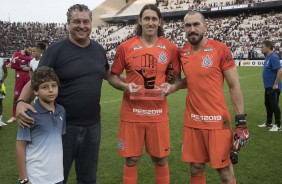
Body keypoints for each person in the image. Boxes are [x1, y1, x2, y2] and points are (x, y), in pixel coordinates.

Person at [16, 4, 110, 184]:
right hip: (62, 126)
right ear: (68, 24)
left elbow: (108, 75)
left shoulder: (99, 49)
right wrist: (21, 101)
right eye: (76, 22)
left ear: (91, 23)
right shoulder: (56, 49)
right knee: (59, 178)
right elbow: (35, 79)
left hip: (93, 125)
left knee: (88, 178)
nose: (81, 25)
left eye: (85, 21)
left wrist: (128, 84)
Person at [166, 11, 250, 184]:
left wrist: (241, 121)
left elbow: (234, 85)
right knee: (196, 168)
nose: (192, 29)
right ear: (184, 29)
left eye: (196, 24)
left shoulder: (220, 49)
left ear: (206, 26)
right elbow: (188, 80)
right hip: (193, 121)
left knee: (225, 172)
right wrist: (172, 86)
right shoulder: (182, 53)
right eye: (188, 26)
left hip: (217, 121)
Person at [108, 4, 180, 184]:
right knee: (131, 160)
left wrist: (170, 88)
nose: (150, 22)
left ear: (160, 22)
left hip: (158, 115)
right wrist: (125, 87)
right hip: (132, 114)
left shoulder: (170, 48)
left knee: (161, 159)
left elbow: (178, 79)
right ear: (140, 20)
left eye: (154, 19)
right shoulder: (125, 47)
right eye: (146, 18)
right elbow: (112, 77)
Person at [16, 66, 65, 184]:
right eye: (45, 87)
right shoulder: (29, 113)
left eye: (54, 85)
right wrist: (24, 179)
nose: (51, 90)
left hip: (58, 177)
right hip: (36, 178)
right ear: (35, 91)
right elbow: (20, 146)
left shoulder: (61, 111)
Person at [258, 40, 282, 131]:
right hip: (268, 87)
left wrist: (275, 84)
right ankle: (268, 123)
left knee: (274, 105)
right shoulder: (267, 57)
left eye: (262, 47)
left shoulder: (273, 57)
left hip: (273, 87)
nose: (261, 49)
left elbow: (280, 70)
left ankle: (278, 125)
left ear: (268, 47)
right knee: (268, 104)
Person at [8, 47, 32, 123]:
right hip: (20, 78)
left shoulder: (31, 57)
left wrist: (28, 68)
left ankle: (25, 114)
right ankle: (14, 116)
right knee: (16, 97)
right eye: (26, 48)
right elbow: (12, 65)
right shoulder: (17, 54)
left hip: (29, 78)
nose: (28, 49)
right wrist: (21, 68)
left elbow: (31, 61)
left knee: (28, 97)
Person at [0, 57, 8, 128]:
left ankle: (0, 120)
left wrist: (2, 79)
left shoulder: (1, 60)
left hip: (0, 85)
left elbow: (5, 72)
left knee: (0, 102)